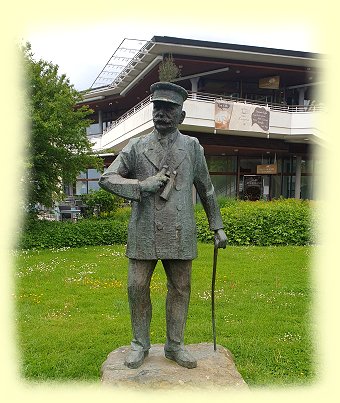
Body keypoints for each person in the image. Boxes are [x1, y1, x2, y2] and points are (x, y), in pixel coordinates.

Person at [99, 82, 227, 370]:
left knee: (181, 288)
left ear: (181, 116)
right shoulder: (137, 146)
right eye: (157, 108)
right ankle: (139, 344)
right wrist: (142, 185)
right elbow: (108, 179)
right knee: (136, 287)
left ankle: (175, 345)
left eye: (169, 109)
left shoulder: (192, 147)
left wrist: (216, 226)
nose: (162, 114)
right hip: (144, 230)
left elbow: (206, 189)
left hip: (180, 231)